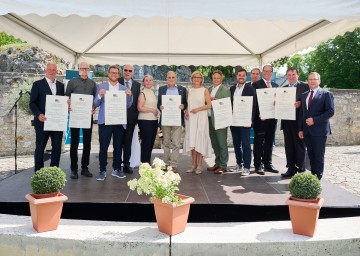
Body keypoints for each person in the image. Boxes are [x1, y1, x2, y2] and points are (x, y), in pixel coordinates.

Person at [93, 65, 133, 181]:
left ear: (118, 75)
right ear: (108, 74)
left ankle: (116, 169)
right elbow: (96, 103)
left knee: (118, 147)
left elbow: (128, 105)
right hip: (105, 122)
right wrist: (100, 95)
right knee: (103, 147)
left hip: (119, 122)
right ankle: (102, 170)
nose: (114, 74)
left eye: (116, 73)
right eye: (112, 72)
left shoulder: (122, 88)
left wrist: (130, 96)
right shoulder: (101, 87)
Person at [29, 62, 65, 172]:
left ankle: (54, 172)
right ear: (45, 70)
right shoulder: (37, 84)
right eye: (49, 69)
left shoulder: (60, 85)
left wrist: (66, 104)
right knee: (40, 147)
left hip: (56, 123)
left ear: (57, 72)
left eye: (54, 69)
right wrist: (38, 114)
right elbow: (32, 103)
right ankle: (39, 172)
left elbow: (61, 103)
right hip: (42, 122)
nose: (52, 71)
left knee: (57, 148)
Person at [298, 72, 334, 180]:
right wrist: (300, 129)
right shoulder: (304, 95)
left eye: (315, 79)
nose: (312, 81)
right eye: (310, 79)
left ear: (319, 81)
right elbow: (302, 113)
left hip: (319, 131)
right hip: (307, 131)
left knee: (318, 156)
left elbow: (330, 112)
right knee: (311, 155)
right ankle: (313, 177)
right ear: (307, 81)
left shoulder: (326, 94)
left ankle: (317, 179)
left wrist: (314, 120)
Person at [65, 62, 97, 179]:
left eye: (86, 68)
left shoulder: (93, 83)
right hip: (75, 116)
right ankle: (74, 169)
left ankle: (85, 167)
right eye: (82, 68)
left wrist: (94, 107)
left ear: (89, 70)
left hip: (87, 116)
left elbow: (96, 100)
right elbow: (67, 96)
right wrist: (67, 103)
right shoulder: (72, 82)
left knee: (87, 143)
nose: (84, 70)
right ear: (78, 69)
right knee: (74, 142)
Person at [280, 67, 309, 178]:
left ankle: (301, 169)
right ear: (286, 76)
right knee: (289, 146)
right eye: (289, 75)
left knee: (300, 146)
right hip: (287, 122)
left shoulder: (305, 86)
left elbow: (310, 101)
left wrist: (300, 103)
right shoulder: (283, 88)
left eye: (293, 74)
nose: (291, 77)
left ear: (298, 75)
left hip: (300, 122)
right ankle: (291, 168)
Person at [157, 71, 187, 173]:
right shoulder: (161, 89)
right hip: (165, 120)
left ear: (176, 78)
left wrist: (183, 106)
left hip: (177, 120)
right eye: (169, 77)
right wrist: (160, 107)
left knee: (176, 143)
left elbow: (185, 104)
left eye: (173, 77)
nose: (171, 79)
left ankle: (173, 164)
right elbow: (158, 104)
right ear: (166, 78)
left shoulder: (182, 90)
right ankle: (165, 163)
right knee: (165, 143)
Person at [183, 71, 212, 174]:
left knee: (200, 140)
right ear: (192, 79)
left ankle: (199, 165)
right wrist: (186, 111)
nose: (196, 79)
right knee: (193, 141)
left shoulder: (205, 90)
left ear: (201, 79)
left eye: (198, 77)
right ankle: (193, 164)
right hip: (191, 119)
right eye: (194, 77)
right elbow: (188, 104)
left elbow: (209, 105)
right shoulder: (189, 91)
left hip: (201, 117)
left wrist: (197, 109)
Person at [253, 65, 279, 175]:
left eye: (269, 71)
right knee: (259, 141)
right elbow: (254, 103)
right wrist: (259, 114)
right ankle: (258, 164)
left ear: (272, 73)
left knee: (269, 141)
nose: (267, 73)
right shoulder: (256, 84)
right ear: (262, 72)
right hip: (261, 119)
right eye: (265, 71)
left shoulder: (276, 85)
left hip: (273, 118)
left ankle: (268, 163)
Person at [229, 68, 256, 176]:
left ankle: (247, 167)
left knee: (245, 144)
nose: (241, 77)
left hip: (245, 122)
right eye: (239, 75)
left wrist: (250, 121)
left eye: (243, 75)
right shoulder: (231, 89)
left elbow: (254, 106)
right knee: (236, 144)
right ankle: (238, 163)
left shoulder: (250, 89)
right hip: (234, 121)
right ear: (236, 76)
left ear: (246, 77)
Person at [207, 70, 231, 174]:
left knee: (222, 143)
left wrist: (217, 101)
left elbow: (227, 104)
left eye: (218, 78)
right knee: (215, 143)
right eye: (214, 78)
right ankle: (217, 163)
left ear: (221, 79)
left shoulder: (225, 90)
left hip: (220, 120)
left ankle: (223, 165)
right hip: (209, 119)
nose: (216, 79)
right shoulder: (208, 89)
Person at [118, 64, 141, 174]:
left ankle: (126, 164)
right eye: (125, 70)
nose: (127, 72)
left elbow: (137, 102)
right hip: (117, 118)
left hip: (131, 119)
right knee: (118, 143)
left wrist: (136, 119)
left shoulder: (137, 85)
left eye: (130, 70)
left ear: (133, 72)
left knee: (128, 143)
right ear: (123, 71)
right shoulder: (116, 82)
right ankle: (117, 165)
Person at [137, 75, 158, 164]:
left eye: (150, 80)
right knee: (146, 143)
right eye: (146, 80)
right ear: (143, 82)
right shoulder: (142, 93)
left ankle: (147, 162)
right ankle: (144, 163)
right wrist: (152, 110)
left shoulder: (152, 92)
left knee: (150, 143)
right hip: (145, 121)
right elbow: (140, 108)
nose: (149, 82)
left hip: (153, 121)